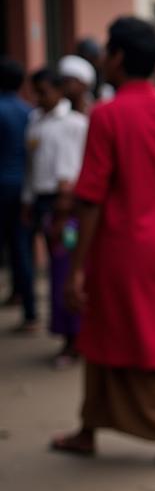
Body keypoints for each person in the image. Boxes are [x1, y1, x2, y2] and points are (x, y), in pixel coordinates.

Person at [51, 16, 155, 464]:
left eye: (108, 50)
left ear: (118, 57)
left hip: (123, 250)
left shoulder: (106, 115)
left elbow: (90, 197)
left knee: (111, 336)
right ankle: (150, 437)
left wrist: (77, 267)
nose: (104, 58)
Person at [20, 67, 89, 354]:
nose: (39, 98)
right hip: (42, 200)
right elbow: (32, 164)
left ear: (60, 91)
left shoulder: (74, 123)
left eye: (44, 92)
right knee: (56, 268)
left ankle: (76, 336)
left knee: (67, 269)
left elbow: (72, 168)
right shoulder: (35, 119)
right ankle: (67, 333)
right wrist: (27, 200)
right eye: (35, 92)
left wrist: (64, 208)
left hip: (67, 204)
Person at [0, 57, 30, 313]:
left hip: (3, 185)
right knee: (21, 245)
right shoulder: (29, 111)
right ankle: (26, 302)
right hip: (23, 187)